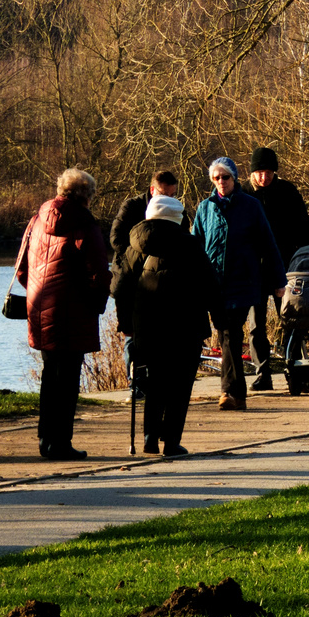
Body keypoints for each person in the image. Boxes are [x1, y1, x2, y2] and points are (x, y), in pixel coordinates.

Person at [16, 168, 112, 461]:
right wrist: (97, 303)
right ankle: (60, 443)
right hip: (73, 311)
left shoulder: (38, 217)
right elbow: (98, 272)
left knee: (50, 374)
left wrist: (37, 292)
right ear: (87, 195)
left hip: (39, 307)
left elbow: (21, 268)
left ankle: (46, 439)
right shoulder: (85, 224)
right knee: (68, 378)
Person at [113, 195, 217, 457]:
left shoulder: (134, 246)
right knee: (180, 385)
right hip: (186, 326)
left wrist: (126, 323)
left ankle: (149, 438)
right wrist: (219, 318)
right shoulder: (191, 245)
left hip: (147, 327)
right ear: (178, 218)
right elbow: (210, 286)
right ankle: (171, 441)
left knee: (155, 381)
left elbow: (120, 288)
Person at [193, 157, 286, 410]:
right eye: (216, 178)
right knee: (225, 335)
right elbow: (195, 248)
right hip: (215, 284)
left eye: (226, 177)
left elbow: (269, 244)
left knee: (231, 333)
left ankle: (229, 392)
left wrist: (279, 281)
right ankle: (238, 395)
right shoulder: (205, 208)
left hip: (243, 282)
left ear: (234, 179)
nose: (221, 182)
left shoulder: (251, 206)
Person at [244, 146, 309, 391]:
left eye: (268, 172)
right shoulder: (243, 195)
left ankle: (294, 369)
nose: (263, 178)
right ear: (251, 172)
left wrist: (302, 260)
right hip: (253, 270)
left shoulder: (288, 192)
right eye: (259, 173)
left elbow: (305, 229)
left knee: (292, 320)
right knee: (256, 326)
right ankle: (262, 371)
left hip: (285, 268)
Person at [111, 169, 185, 258]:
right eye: (163, 194)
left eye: (172, 195)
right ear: (152, 189)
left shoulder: (177, 210)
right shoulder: (131, 206)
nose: (168, 199)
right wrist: (136, 261)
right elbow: (116, 239)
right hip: (128, 266)